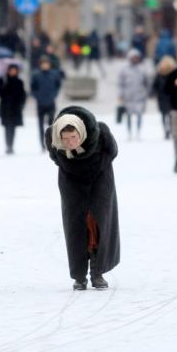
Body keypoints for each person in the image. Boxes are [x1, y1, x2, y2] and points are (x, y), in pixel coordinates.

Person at [45, 106, 120, 291]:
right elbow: (55, 156)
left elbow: (113, 151)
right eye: (66, 139)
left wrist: (98, 167)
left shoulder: (100, 132)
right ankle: (79, 276)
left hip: (100, 181)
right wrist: (71, 168)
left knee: (97, 225)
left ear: (81, 132)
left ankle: (97, 273)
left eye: (74, 138)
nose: (70, 142)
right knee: (75, 228)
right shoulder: (51, 135)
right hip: (71, 185)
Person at [31, 56, 63, 151]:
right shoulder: (36, 75)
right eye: (43, 64)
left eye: (46, 64)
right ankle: (42, 144)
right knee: (40, 125)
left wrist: (54, 95)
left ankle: (51, 143)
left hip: (51, 102)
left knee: (51, 124)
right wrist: (38, 97)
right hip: (40, 103)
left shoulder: (54, 74)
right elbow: (33, 88)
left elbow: (58, 85)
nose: (45, 65)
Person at [118, 49, 149, 140]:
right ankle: (129, 133)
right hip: (128, 97)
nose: (135, 59)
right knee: (128, 116)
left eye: (137, 58)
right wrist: (120, 95)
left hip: (139, 96)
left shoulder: (142, 69)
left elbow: (147, 83)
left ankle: (138, 132)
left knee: (139, 115)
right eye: (133, 58)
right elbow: (120, 84)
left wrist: (146, 93)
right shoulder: (124, 70)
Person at [0, 64, 26, 154]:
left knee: (13, 128)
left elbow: (23, 95)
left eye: (14, 70)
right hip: (6, 109)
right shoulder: (4, 81)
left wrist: (21, 105)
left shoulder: (19, 82)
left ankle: (11, 145)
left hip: (15, 109)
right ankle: (8, 145)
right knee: (7, 128)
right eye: (11, 70)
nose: (12, 72)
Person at [152, 55, 176, 140]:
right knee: (163, 115)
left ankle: (171, 130)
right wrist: (154, 93)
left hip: (172, 98)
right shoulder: (159, 74)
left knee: (171, 115)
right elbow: (155, 85)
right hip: (162, 98)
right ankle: (166, 130)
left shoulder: (174, 73)